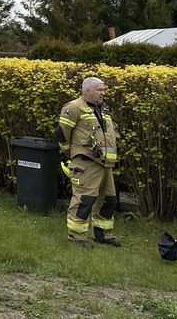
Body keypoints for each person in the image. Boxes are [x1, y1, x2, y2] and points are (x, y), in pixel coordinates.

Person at [55, 76, 121, 247]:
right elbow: (62, 132)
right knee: (85, 200)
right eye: (99, 90)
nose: (103, 93)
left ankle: (103, 234)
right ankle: (77, 236)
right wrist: (67, 154)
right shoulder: (73, 107)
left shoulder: (103, 109)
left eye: (103, 90)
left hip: (105, 164)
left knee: (109, 200)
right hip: (86, 163)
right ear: (87, 91)